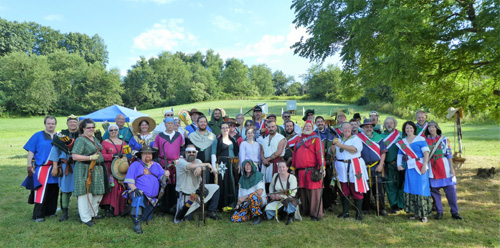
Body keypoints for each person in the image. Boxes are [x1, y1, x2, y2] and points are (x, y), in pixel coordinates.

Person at [72, 118, 109, 226]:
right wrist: (89, 157)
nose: (91, 129)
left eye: (93, 127)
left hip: (97, 169)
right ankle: (85, 218)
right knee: (85, 193)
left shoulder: (93, 138)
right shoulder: (81, 140)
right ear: (83, 128)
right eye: (89, 127)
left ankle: (93, 213)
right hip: (84, 169)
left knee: (97, 192)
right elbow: (74, 156)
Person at [124, 145, 170, 234]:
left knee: (147, 218)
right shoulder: (135, 165)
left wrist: (166, 175)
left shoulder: (157, 165)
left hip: (151, 198)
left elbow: (163, 180)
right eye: (145, 153)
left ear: (152, 155)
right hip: (138, 193)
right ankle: (137, 224)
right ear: (141, 155)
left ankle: (139, 216)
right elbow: (129, 181)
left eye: (149, 154)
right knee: (138, 197)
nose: (147, 155)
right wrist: (135, 189)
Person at [24, 115, 59, 222]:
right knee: (41, 192)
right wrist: (29, 165)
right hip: (42, 168)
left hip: (55, 167)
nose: (51, 125)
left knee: (53, 190)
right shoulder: (38, 135)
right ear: (45, 124)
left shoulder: (59, 136)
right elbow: (31, 151)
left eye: (52, 123)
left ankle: (51, 211)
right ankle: (38, 215)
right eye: (49, 123)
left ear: (55, 124)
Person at [425, 121, 463, 220]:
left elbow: (449, 154)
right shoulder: (425, 140)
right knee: (435, 192)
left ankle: (455, 212)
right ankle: (439, 211)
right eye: (429, 127)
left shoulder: (445, 139)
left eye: (433, 127)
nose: (431, 129)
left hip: (444, 167)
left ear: (437, 128)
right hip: (432, 168)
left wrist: (451, 168)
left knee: (451, 191)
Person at [332, 122, 369, 221]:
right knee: (343, 189)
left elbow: (354, 150)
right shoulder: (338, 140)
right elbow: (332, 152)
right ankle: (345, 212)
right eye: (344, 128)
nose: (347, 130)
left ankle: (359, 213)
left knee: (356, 188)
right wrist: (333, 144)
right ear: (341, 129)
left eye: (349, 128)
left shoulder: (356, 139)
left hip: (354, 166)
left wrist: (339, 145)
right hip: (341, 167)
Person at [175, 145, 221, 223]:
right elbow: (190, 166)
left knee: (216, 187)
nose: (191, 153)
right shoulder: (181, 162)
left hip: (197, 191)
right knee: (186, 219)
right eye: (189, 152)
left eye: (193, 152)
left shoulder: (198, 161)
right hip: (188, 195)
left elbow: (201, 167)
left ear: (196, 153)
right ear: (185, 153)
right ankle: (180, 210)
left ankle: (211, 211)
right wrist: (207, 164)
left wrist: (200, 167)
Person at [396, 121, 431, 223]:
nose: (409, 130)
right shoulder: (402, 142)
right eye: (407, 128)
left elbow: (426, 153)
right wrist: (399, 164)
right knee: (412, 189)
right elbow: (400, 155)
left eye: (411, 128)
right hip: (410, 168)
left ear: (414, 129)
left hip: (420, 167)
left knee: (421, 189)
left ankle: (424, 214)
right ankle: (416, 213)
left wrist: (425, 164)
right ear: (404, 130)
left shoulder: (421, 139)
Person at [291, 120, 326, 221]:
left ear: (312, 127)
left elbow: (320, 154)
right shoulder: (299, 139)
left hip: (312, 171)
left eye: (309, 126)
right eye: (306, 126)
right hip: (301, 171)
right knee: (303, 192)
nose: (307, 128)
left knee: (314, 193)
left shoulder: (316, 139)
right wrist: (293, 168)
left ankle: (315, 214)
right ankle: (305, 211)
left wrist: (322, 167)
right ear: (303, 127)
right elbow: (295, 154)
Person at [47, 114, 80, 222]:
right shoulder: (61, 135)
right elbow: (55, 152)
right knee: (65, 189)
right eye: (71, 122)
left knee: (81, 189)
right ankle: (64, 213)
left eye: (75, 122)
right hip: (66, 166)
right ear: (67, 123)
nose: (73, 124)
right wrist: (55, 167)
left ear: (78, 123)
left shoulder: (81, 135)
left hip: (79, 166)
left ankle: (82, 212)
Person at [153, 117, 185, 215]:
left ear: (174, 125)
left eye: (172, 123)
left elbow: (182, 149)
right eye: (168, 123)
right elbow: (155, 150)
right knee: (164, 185)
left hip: (176, 164)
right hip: (164, 163)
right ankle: (163, 208)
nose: (170, 125)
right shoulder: (160, 136)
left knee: (175, 185)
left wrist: (180, 158)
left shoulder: (178, 135)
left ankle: (174, 207)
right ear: (165, 125)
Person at [358, 119, 388, 216]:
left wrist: (380, 165)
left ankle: (381, 208)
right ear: (362, 128)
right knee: (365, 188)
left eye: (370, 127)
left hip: (376, 166)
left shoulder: (378, 138)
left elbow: (383, 153)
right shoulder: (358, 138)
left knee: (378, 188)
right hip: (364, 166)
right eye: (366, 127)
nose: (369, 128)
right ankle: (365, 207)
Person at [100, 124, 128, 217]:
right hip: (109, 169)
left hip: (121, 169)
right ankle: (108, 208)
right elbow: (101, 156)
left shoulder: (123, 143)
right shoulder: (105, 142)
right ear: (108, 132)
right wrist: (112, 156)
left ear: (118, 131)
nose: (113, 132)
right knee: (111, 187)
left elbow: (127, 156)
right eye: (111, 130)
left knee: (121, 187)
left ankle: (120, 208)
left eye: (115, 130)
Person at [211, 122, 239, 209]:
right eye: (223, 128)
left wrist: (237, 164)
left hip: (232, 164)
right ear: (220, 129)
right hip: (222, 165)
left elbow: (236, 153)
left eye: (227, 127)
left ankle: (232, 204)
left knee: (232, 181)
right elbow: (213, 154)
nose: (225, 129)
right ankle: (222, 205)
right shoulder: (217, 140)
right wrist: (214, 167)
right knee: (222, 182)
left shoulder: (233, 140)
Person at [380, 117, 404, 213]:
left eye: (391, 123)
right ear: (385, 125)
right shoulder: (381, 136)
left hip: (401, 164)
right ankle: (394, 205)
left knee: (401, 184)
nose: (389, 125)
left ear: (395, 124)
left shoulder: (401, 135)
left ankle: (401, 204)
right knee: (390, 185)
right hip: (388, 165)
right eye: (387, 123)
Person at [231, 160, 267, 225]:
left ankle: (258, 216)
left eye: (249, 165)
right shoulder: (242, 179)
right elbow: (240, 196)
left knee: (253, 196)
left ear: (252, 166)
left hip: (259, 200)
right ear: (243, 167)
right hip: (246, 202)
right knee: (234, 218)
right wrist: (238, 205)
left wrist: (244, 197)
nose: (248, 167)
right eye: (246, 165)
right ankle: (251, 215)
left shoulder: (258, 175)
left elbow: (259, 192)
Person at [265, 161, 298, 225]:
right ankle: (281, 214)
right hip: (277, 200)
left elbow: (293, 192)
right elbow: (271, 186)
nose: (281, 169)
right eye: (280, 167)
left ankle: (291, 217)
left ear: (287, 168)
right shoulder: (275, 176)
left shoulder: (292, 178)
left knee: (290, 203)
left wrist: (280, 196)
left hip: (288, 198)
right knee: (268, 209)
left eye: (283, 167)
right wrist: (272, 194)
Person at [315, 116, 336, 212]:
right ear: (315, 123)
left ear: (324, 123)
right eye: (318, 122)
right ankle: (319, 203)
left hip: (328, 163)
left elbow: (335, 146)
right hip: (316, 164)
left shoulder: (331, 134)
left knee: (327, 185)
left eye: (321, 121)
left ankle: (328, 204)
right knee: (318, 184)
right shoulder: (313, 134)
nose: (320, 123)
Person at [261, 120, 286, 192]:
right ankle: (268, 201)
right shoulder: (265, 139)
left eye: (272, 126)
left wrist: (267, 159)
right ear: (266, 128)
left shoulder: (281, 138)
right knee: (266, 185)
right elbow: (262, 151)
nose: (271, 128)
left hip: (276, 164)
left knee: (276, 184)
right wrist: (263, 160)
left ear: (276, 127)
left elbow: (279, 152)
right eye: (269, 127)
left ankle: (276, 201)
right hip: (265, 164)